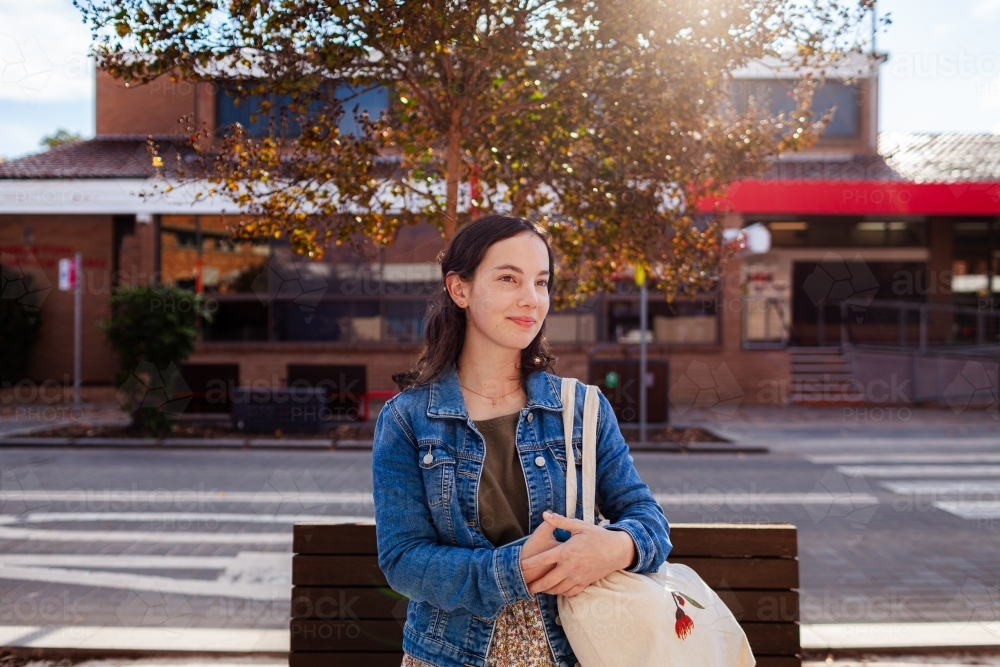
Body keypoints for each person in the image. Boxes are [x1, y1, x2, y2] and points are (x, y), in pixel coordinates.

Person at [372, 214, 671, 667]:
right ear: (460, 290)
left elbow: (648, 519)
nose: (531, 299)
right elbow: (403, 559)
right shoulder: (407, 420)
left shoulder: (582, 409)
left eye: (541, 282)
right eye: (509, 278)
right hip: (448, 655)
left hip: (575, 649)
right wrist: (511, 571)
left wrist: (615, 547)